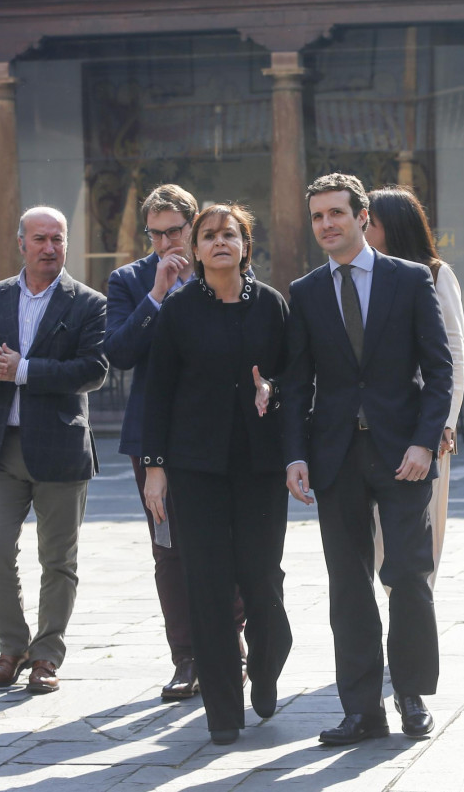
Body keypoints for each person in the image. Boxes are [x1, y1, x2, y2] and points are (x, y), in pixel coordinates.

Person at [282, 173, 453, 745]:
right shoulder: (304, 291)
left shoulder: (408, 279)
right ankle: (361, 710)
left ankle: (410, 694)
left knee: (407, 574)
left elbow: (439, 369)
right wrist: (295, 457)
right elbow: (296, 380)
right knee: (347, 585)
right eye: (317, 217)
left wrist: (425, 442)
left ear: (361, 217)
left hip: (403, 452)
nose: (326, 224)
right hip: (334, 455)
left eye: (336, 213)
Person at [143, 204, 292, 745]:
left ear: (245, 245)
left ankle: (269, 664)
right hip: (195, 467)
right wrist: (155, 468)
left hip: (259, 466)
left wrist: (271, 391)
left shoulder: (272, 306)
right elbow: (156, 392)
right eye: (210, 235)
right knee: (206, 585)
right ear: (197, 248)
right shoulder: (179, 311)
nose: (220, 242)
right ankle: (223, 714)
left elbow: (293, 379)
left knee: (261, 580)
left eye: (231, 233)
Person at [0, 206, 108, 694]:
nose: (49, 248)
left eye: (58, 239)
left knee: (57, 559)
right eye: (40, 238)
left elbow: (94, 370)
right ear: (20, 242)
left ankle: (46, 656)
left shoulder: (88, 303)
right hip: (0, 446)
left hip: (60, 447)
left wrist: (24, 370)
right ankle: (11, 646)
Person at [104, 184, 246, 702]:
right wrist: (157, 294)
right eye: (156, 233)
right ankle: (186, 658)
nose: (167, 242)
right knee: (170, 551)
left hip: (220, 433)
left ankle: (230, 645)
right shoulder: (130, 280)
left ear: (193, 225)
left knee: (226, 540)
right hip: (155, 438)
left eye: (175, 231)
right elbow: (118, 353)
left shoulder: (223, 265)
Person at [367, 185, 464, 589]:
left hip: (426, 426)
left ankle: (413, 616)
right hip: (377, 423)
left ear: (392, 227)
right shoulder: (365, 274)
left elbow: (454, 355)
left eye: (368, 223)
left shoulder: (437, 274)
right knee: (376, 536)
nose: (362, 230)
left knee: (422, 535)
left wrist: (443, 424)